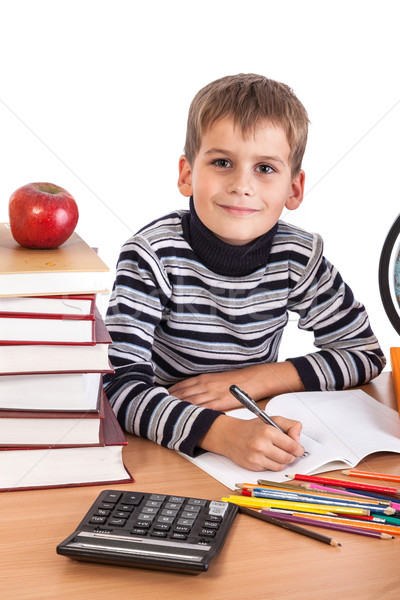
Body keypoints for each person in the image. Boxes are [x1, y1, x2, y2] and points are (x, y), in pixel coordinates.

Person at [103, 73, 385, 472]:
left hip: (255, 418)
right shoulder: (152, 255)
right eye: (222, 162)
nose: (241, 185)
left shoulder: (299, 257)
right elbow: (116, 386)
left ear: (294, 189)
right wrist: (221, 434)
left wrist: (258, 379)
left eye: (265, 168)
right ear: (187, 174)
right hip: (167, 435)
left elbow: (363, 353)